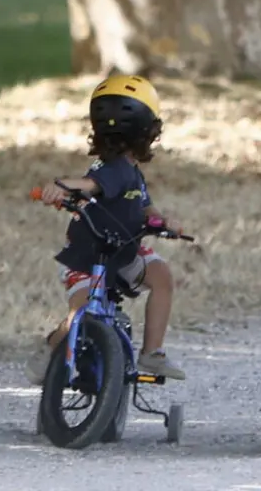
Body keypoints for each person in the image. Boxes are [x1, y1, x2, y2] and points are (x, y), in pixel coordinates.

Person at [24, 74, 186, 385]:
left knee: (161, 277)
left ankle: (152, 351)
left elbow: (144, 207)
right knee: (82, 309)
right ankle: (53, 349)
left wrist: (163, 222)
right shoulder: (114, 169)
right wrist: (60, 186)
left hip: (123, 252)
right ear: (150, 132)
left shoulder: (131, 174)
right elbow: (90, 185)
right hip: (88, 259)